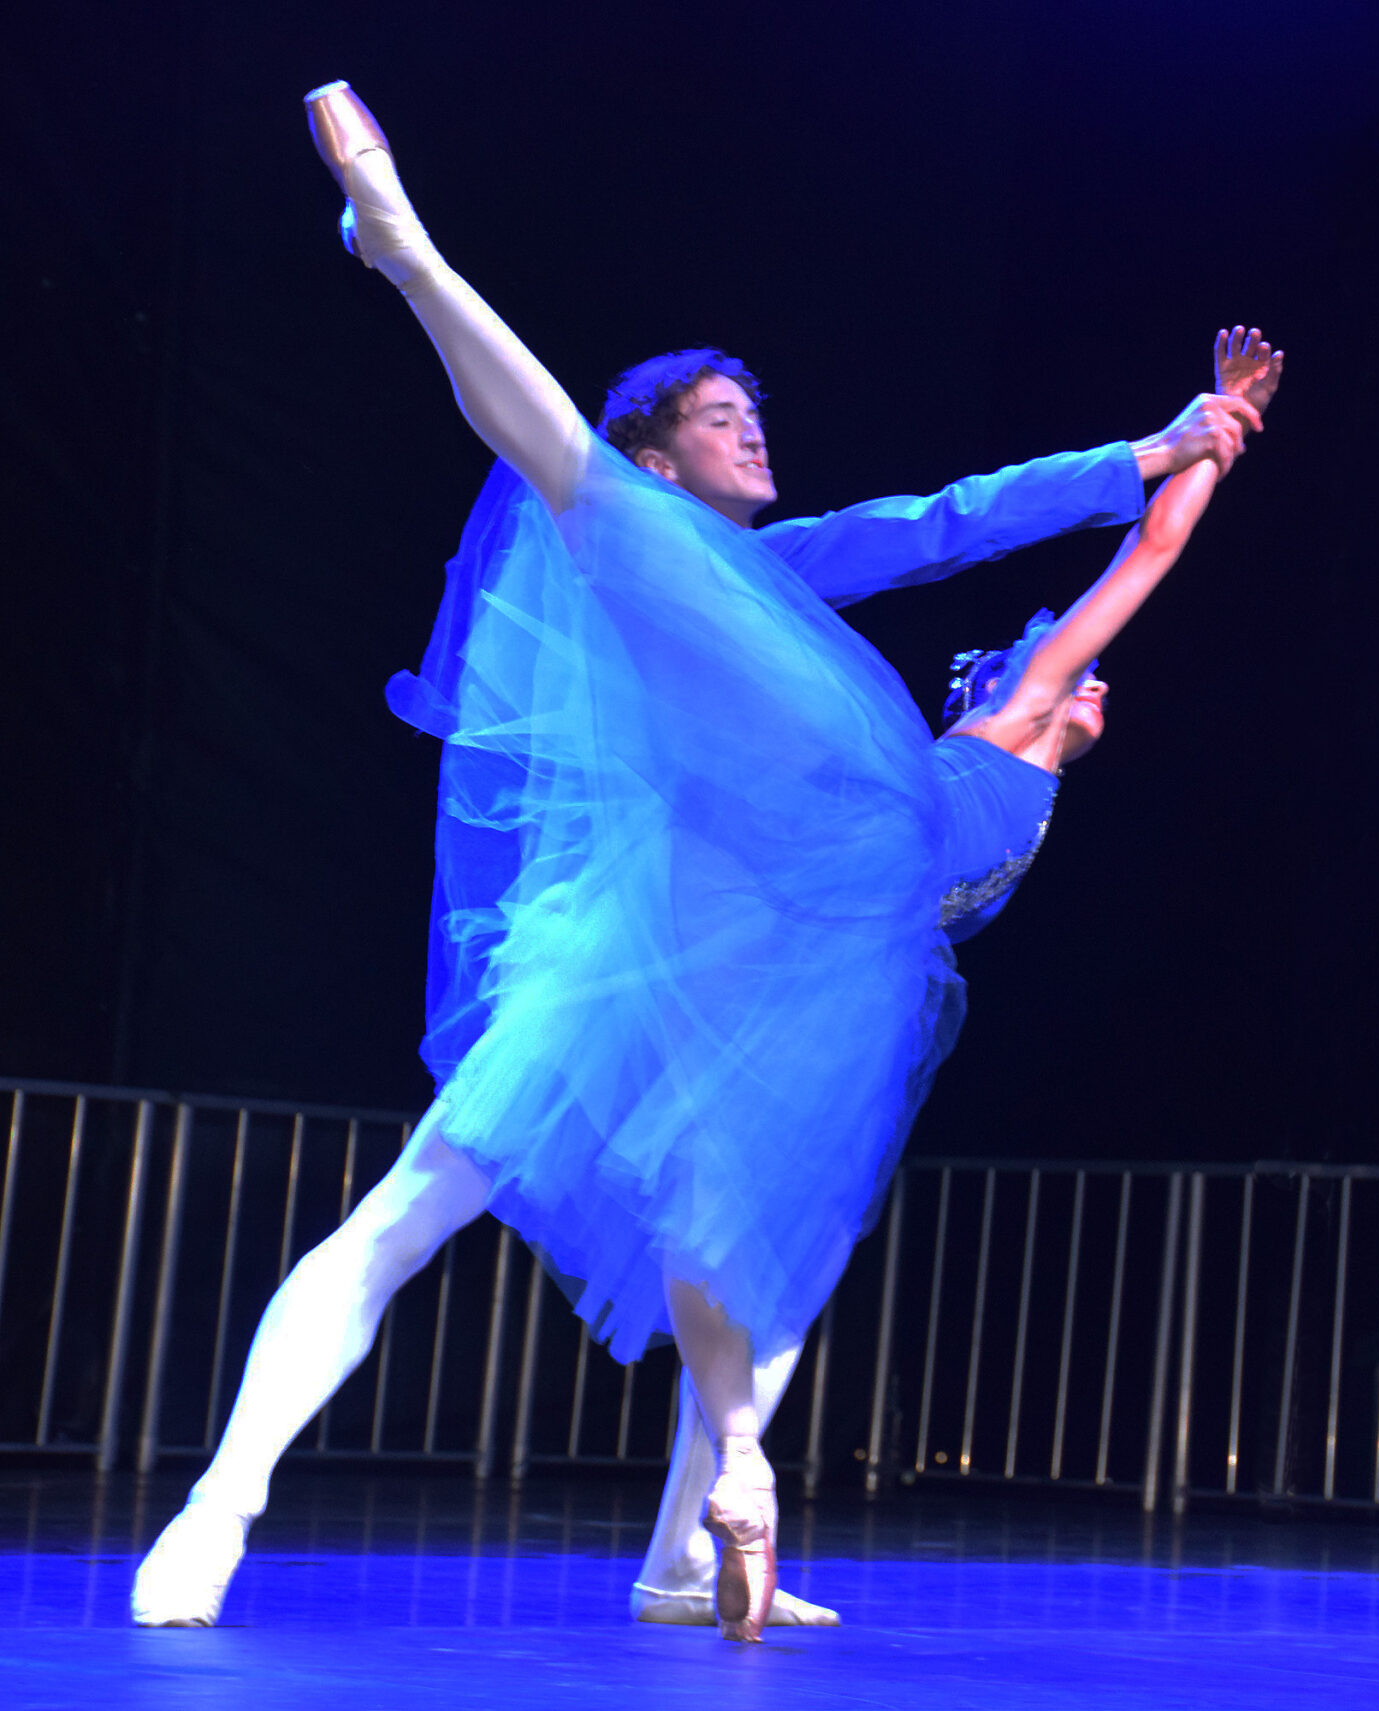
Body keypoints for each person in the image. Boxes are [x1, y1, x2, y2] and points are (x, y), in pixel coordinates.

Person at [130, 79, 1262, 1639]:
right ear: (667, 452)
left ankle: (686, 1553)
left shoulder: (783, 575)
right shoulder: (641, 527)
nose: (755, 432)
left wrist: (1151, 447)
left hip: (763, 943)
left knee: (753, 1262)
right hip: (636, 925)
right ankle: (218, 1502)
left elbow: (942, 522)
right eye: (722, 417)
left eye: (756, 412)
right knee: (414, 1206)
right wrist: (1158, 451)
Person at [627, 327, 1284, 1626]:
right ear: (1001, 679)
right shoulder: (1013, 712)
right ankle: (703, 1529)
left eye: (1089, 675)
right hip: (801, 912)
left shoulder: (1029, 772)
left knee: (791, 1256)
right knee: (737, 1228)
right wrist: (1218, 436)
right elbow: (1144, 556)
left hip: (852, 966)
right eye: (1073, 667)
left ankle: (686, 1555)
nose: (1092, 682)